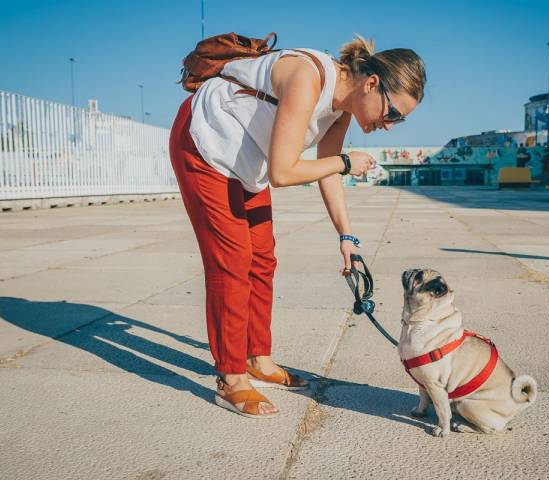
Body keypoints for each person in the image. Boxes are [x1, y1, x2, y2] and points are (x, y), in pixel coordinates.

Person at [169, 34, 426, 418]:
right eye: (393, 113)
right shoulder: (308, 76)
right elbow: (285, 171)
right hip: (203, 144)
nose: (390, 126)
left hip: (245, 161)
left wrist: (347, 237)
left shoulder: (342, 107)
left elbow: (327, 173)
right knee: (233, 260)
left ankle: (258, 358)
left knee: (263, 259)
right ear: (372, 83)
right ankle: (230, 376)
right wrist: (344, 162)